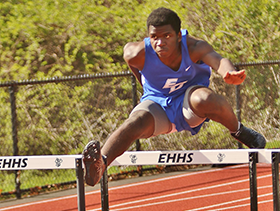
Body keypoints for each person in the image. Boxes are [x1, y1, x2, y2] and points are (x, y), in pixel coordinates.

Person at [82, 7, 266, 186]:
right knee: (134, 121)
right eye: (154, 37)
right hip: (158, 105)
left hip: (189, 104)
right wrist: (147, 91)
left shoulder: (194, 47)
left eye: (166, 36)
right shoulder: (136, 53)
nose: (160, 43)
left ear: (179, 36)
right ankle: (101, 164)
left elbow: (218, 60)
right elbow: (134, 67)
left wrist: (229, 72)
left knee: (205, 98)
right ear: (148, 37)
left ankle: (239, 131)